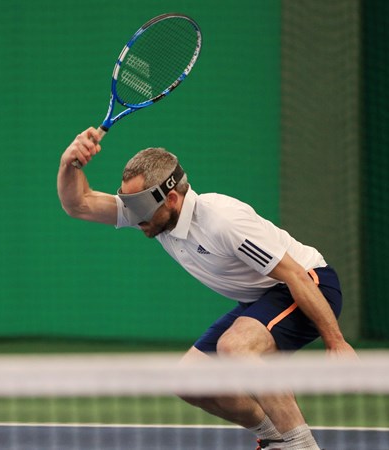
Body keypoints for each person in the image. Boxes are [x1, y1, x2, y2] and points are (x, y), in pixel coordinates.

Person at [57, 128, 357, 450]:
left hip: (310, 284)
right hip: (261, 298)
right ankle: (275, 438)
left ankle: (302, 446)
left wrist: (335, 341)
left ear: (171, 198)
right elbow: (80, 204)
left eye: (140, 208)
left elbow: (295, 275)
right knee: (189, 381)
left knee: (236, 347)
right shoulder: (154, 215)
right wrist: (69, 165)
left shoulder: (222, 221)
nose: (136, 217)